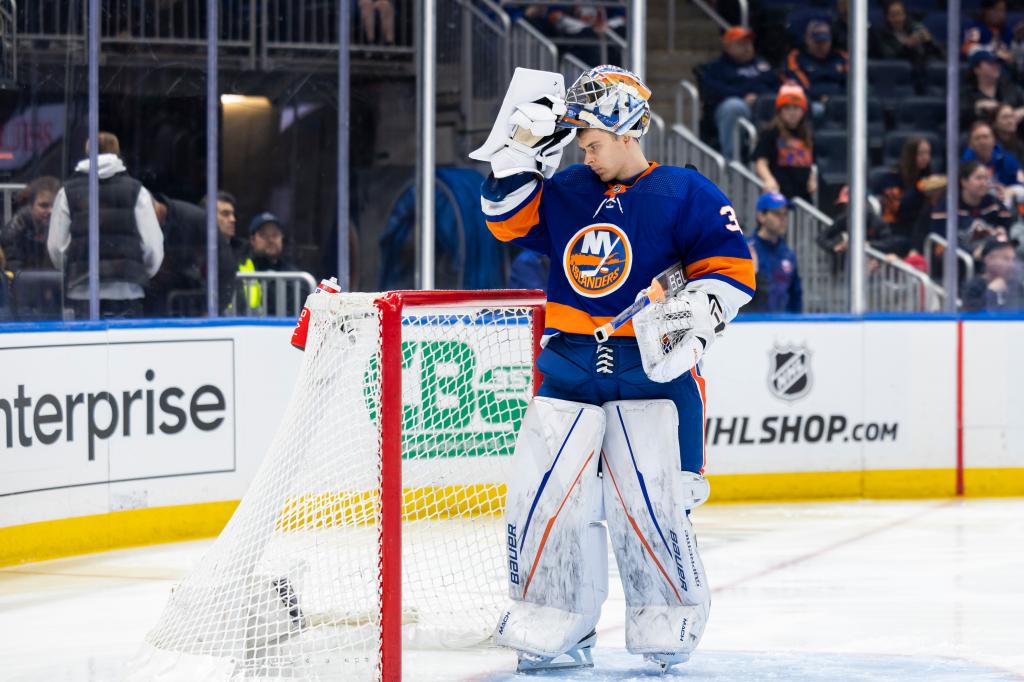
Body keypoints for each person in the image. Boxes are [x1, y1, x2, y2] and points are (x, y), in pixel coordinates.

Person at [471, 65, 754, 673]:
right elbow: (504, 222)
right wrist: (519, 153)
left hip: (648, 374)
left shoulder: (686, 191)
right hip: (569, 365)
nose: (585, 153)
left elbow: (732, 268)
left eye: (593, 142)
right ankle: (554, 627)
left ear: (627, 131)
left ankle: (666, 623)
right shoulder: (568, 189)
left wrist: (695, 312)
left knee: (650, 505)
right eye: (580, 145)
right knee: (543, 502)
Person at [46, 132, 163, 320]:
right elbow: (151, 246)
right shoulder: (137, 191)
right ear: (117, 152)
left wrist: (73, 269)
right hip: (128, 291)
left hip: (82, 292)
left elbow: (56, 247)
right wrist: (139, 272)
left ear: (87, 151)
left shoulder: (66, 192)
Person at [147, 192, 237, 316]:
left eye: (232, 214)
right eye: (225, 214)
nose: (233, 219)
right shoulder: (186, 238)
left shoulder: (236, 250)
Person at [700, 26, 780, 160]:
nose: (747, 47)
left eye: (749, 43)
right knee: (735, 106)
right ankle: (732, 162)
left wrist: (758, 96)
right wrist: (742, 96)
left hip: (762, 107)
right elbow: (712, 90)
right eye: (741, 44)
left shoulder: (762, 65)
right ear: (727, 47)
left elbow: (776, 86)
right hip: (730, 109)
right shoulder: (716, 67)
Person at [932, 160, 1012, 257]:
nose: (984, 183)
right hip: (960, 261)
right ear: (964, 182)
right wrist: (972, 252)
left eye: (986, 178)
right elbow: (941, 241)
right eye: (978, 178)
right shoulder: (947, 206)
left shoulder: (994, 204)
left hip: (992, 259)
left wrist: (1002, 233)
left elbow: (1007, 229)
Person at [753, 83, 816, 202]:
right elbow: (761, 162)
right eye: (787, 108)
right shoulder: (770, 133)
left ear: (803, 111)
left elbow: (812, 162)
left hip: (803, 196)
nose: (792, 113)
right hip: (779, 194)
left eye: (796, 108)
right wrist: (768, 179)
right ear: (779, 111)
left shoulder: (807, 134)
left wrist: (812, 180)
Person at [746, 192, 802, 312]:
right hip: (751, 325)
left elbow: (795, 295)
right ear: (761, 216)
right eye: (777, 214)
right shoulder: (746, 250)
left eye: (785, 214)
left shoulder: (788, 254)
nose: (783, 219)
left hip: (783, 326)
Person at [238, 212, 299, 314]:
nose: (270, 240)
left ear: (282, 238)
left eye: (275, 235)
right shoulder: (242, 268)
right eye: (263, 235)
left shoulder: (295, 274)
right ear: (252, 240)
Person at [784, 20, 848, 117]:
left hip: (840, 101)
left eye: (824, 41)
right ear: (807, 39)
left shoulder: (842, 58)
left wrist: (833, 99)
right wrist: (819, 97)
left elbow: (852, 84)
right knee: (816, 109)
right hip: (812, 102)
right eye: (817, 41)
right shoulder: (796, 58)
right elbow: (798, 85)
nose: (821, 45)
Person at [868, 0, 943, 81]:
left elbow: (940, 55)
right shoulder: (880, 35)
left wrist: (929, 42)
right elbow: (888, 57)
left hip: (919, 77)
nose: (898, 19)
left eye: (900, 14)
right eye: (893, 15)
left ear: (905, 15)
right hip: (894, 78)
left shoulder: (914, 29)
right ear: (887, 17)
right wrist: (906, 46)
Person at [1, 176, 61, 272]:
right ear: (31, 206)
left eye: (56, 205)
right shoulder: (14, 231)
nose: (51, 211)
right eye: (44, 205)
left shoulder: (68, 227)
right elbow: (16, 273)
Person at [962, 120, 1024, 205]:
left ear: (994, 140)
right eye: (977, 138)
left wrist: (1009, 191)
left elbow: (1020, 182)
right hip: (978, 203)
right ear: (971, 144)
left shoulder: (1006, 158)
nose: (982, 142)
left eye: (986, 137)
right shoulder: (966, 163)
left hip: (1006, 197)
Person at [961, 50, 1024, 132]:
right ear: (976, 69)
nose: (996, 66)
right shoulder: (966, 94)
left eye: (997, 63)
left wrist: (1019, 112)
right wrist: (976, 108)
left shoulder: (1011, 89)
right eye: (990, 63)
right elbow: (959, 119)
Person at [962, 237, 1024, 310]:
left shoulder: (1016, 286)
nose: (1011, 264)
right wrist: (991, 292)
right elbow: (971, 315)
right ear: (989, 259)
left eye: (1012, 259)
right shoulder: (973, 287)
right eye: (1006, 259)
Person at [962, 0, 1015, 70]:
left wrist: (1018, 41)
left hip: (1003, 70)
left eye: (1003, 10)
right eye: (997, 10)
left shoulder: (1007, 30)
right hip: (980, 71)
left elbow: (1011, 54)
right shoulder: (975, 27)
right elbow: (967, 49)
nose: (1001, 14)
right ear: (986, 11)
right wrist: (993, 51)